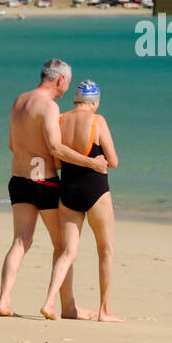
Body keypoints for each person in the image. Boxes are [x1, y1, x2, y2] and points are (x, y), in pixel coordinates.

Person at [0, 59, 108, 319]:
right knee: (62, 246)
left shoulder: (19, 101)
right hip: (43, 182)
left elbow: (13, 144)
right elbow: (56, 149)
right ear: (60, 80)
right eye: (67, 83)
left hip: (18, 179)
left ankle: (4, 299)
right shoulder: (49, 106)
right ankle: (66, 306)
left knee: (20, 241)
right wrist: (91, 162)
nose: (67, 89)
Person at [52, 80, 125, 323]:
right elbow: (113, 161)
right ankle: (105, 310)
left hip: (68, 189)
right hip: (96, 190)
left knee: (66, 251)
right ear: (94, 102)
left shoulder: (60, 119)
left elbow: (57, 162)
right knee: (106, 250)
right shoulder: (97, 121)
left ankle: (61, 305)